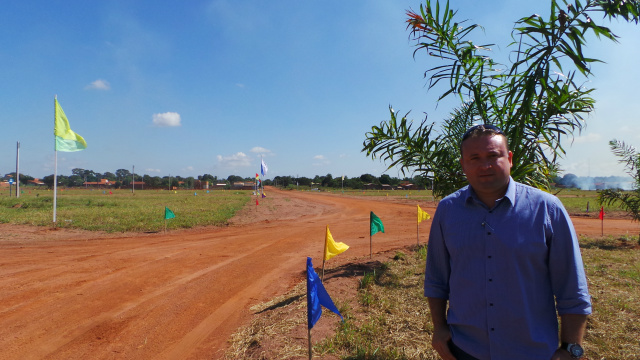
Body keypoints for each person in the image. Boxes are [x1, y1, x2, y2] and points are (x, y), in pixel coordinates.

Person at [424, 124, 591, 360]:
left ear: (509, 158)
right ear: (463, 164)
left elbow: (572, 287)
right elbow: (437, 278)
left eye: (493, 155)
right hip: (465, 349)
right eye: (475, 158)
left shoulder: (547, 209)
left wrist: (571, 348)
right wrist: (439, 328)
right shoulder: (448, 210)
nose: (485, 165)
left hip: (532, 351)